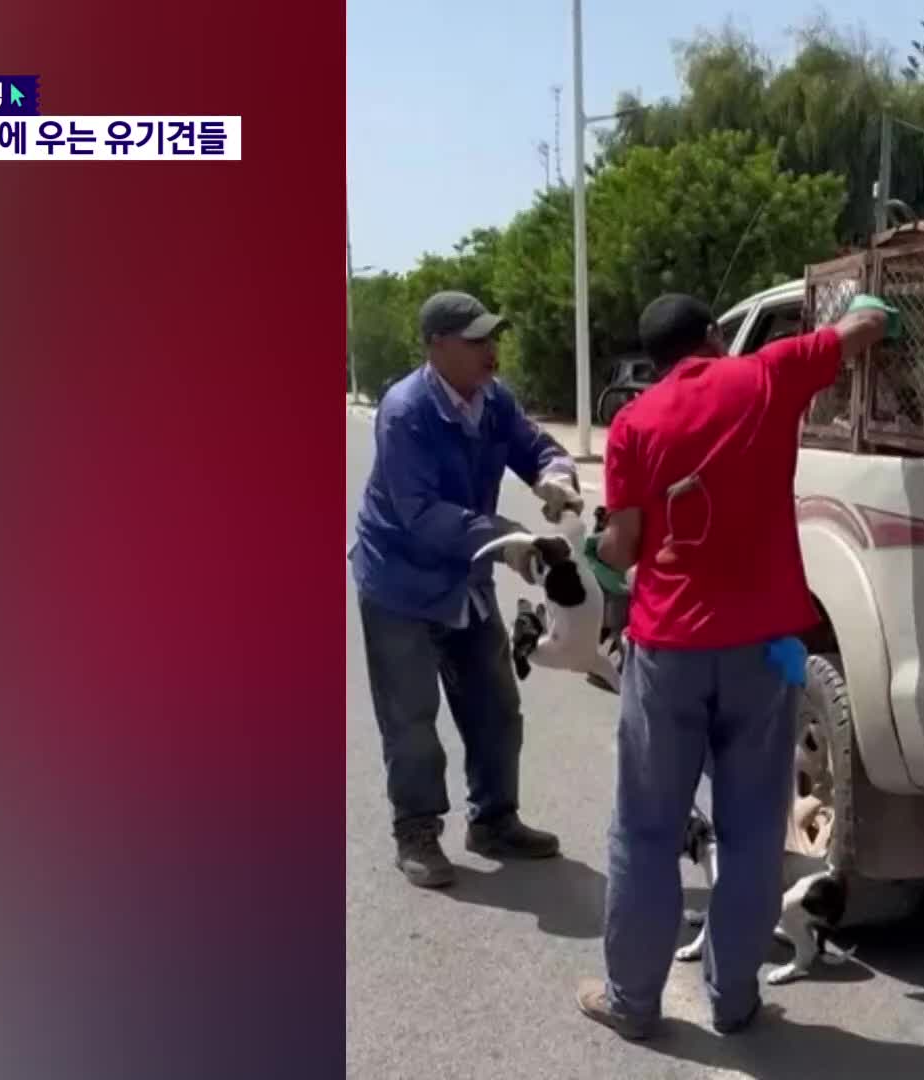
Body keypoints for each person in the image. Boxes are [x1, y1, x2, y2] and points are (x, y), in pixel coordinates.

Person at [575, 291, 896, 1038]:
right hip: (761, 651)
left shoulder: (632, 424)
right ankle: (734, 1000)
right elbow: (857, 331)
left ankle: (632, 1002)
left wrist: (602, 548)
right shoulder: (765, 376)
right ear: (715, 337)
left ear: (652, 362)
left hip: (668, 652)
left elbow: (621, 547)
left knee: (646, 830)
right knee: (752, 830)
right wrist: (877, 312)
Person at [351, 290, 586, 889]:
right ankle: (418, 831)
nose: (491, 350)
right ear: (436, 347)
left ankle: (495, 820)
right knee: (411, 719)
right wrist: (505, 538)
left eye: (492, 337)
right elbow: (419, 511)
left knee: (496, 707)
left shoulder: (492, 399)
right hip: (401, 584)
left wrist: (555, 475)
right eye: (477, 340)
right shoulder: (407, 412)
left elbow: (533, 445)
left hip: (465, 578)